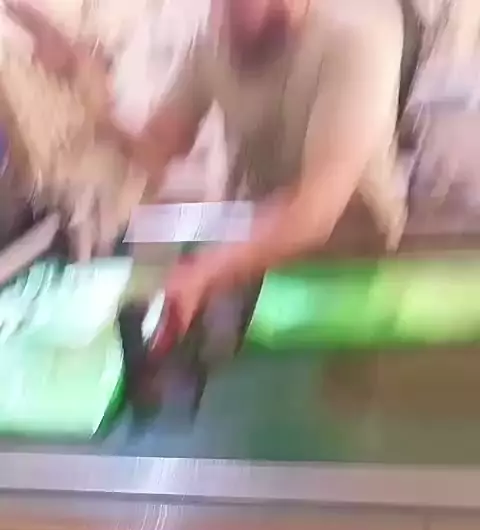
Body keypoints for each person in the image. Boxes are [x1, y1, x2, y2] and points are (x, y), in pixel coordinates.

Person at [6, 0, 406, 334]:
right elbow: (155, 149)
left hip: (351, 252)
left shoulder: (357, 39)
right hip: (257, 237)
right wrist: (79, 76)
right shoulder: (214, 44)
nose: (223, 15)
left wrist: (204, 273)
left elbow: (317, 212)